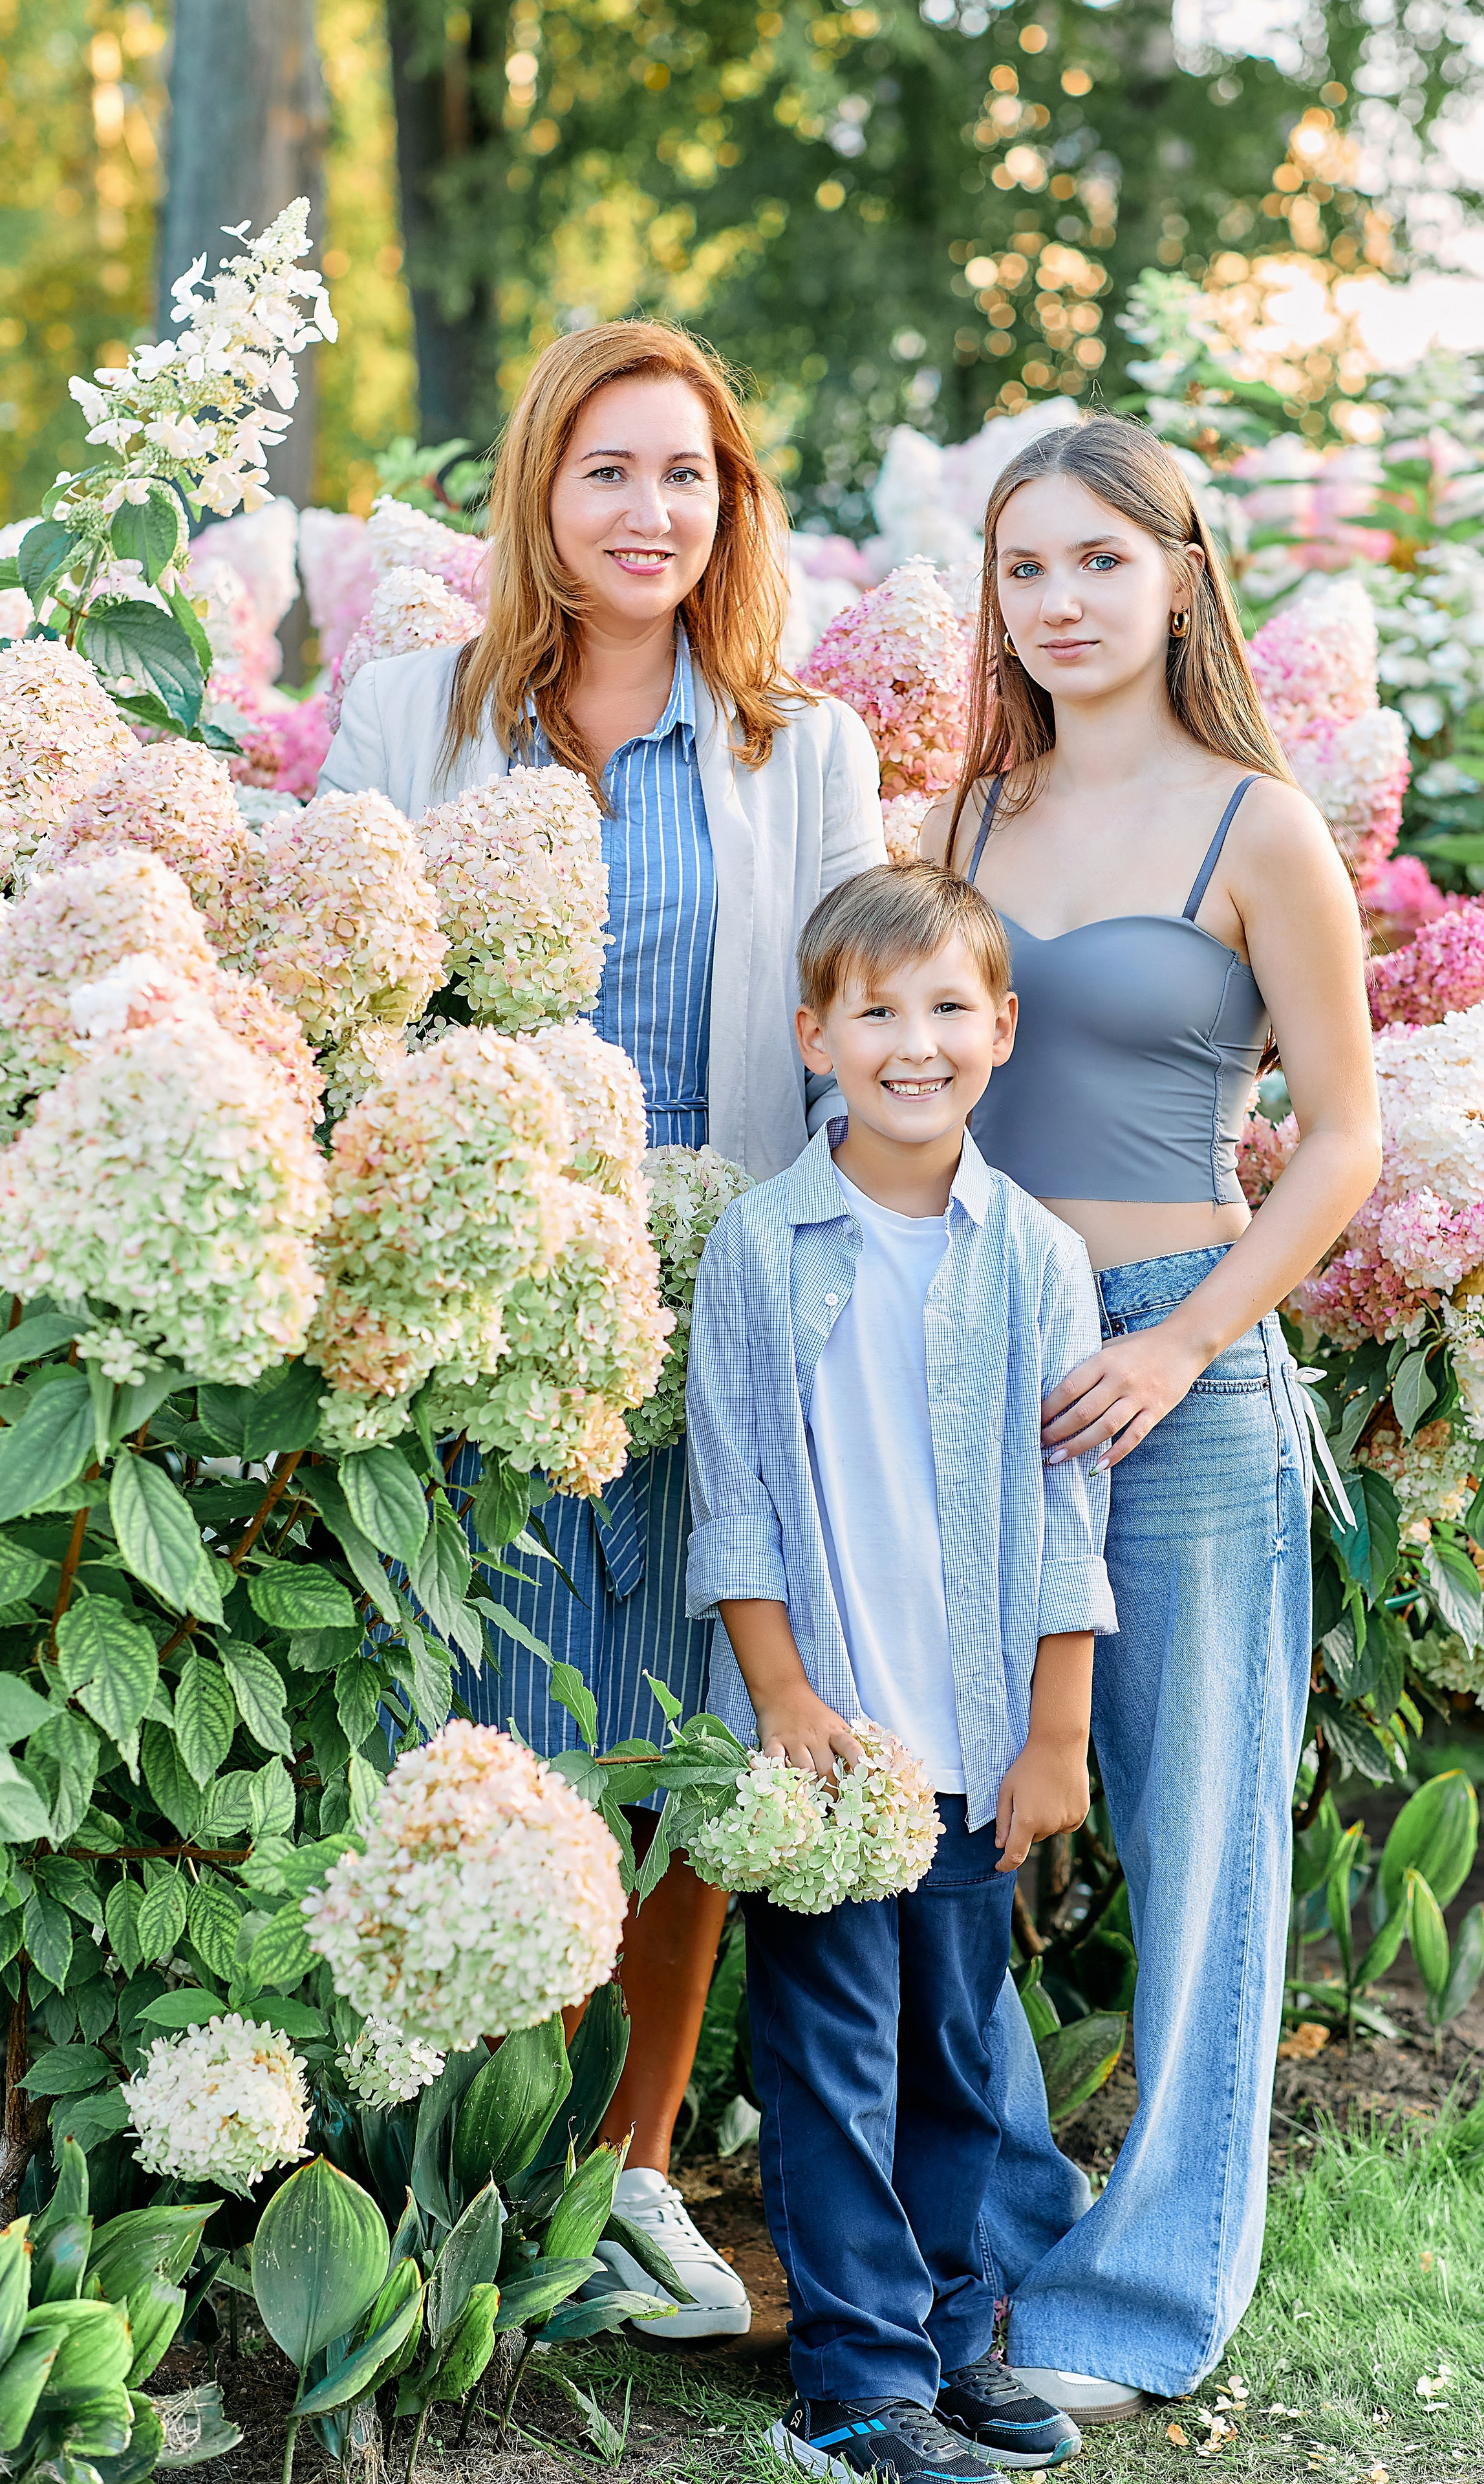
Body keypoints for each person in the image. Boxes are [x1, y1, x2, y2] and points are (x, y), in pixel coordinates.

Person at [317, 319, 885, 2336]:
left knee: (686, 1737)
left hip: (713, 1312)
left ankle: (632, 2169)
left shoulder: (800, 749)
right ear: (541, 498)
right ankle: (463, 2180)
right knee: (486, 1730)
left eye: (690, 476)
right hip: (483, 1317)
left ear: (730, 508)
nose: (653, 512)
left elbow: (846, 1049)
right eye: (611, 472)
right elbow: (354, 1005)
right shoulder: (411, 716)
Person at [918, 413, 1382, 2420]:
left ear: (1182, 573)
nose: (1062, 603)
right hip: (974, 1364)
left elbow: (1345, 1145)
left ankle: (1143, 2301)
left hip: (1174, 1380)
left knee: (1198, 1846)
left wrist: (1185, 1343)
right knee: (942, 1822)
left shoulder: (1257, 826)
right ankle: (1009, 2233)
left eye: (1100, 561)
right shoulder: (962, 827)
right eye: (1027, 569)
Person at [685, 861, 1115, 2482]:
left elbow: (1071, 1524)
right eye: (876, 1011)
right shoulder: (760, 1244)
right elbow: (731, 1500)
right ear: (817, 1032)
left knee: (956, 2050)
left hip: (977, 1739)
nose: (912, 1042)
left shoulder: (1037, 1259)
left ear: (999, 1030)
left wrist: (1053, 1732)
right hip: (828, 1761)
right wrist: (784, 1701)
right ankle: (856, 2380)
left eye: (947, 1008)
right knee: (831, 2057)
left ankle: (954, 2341)